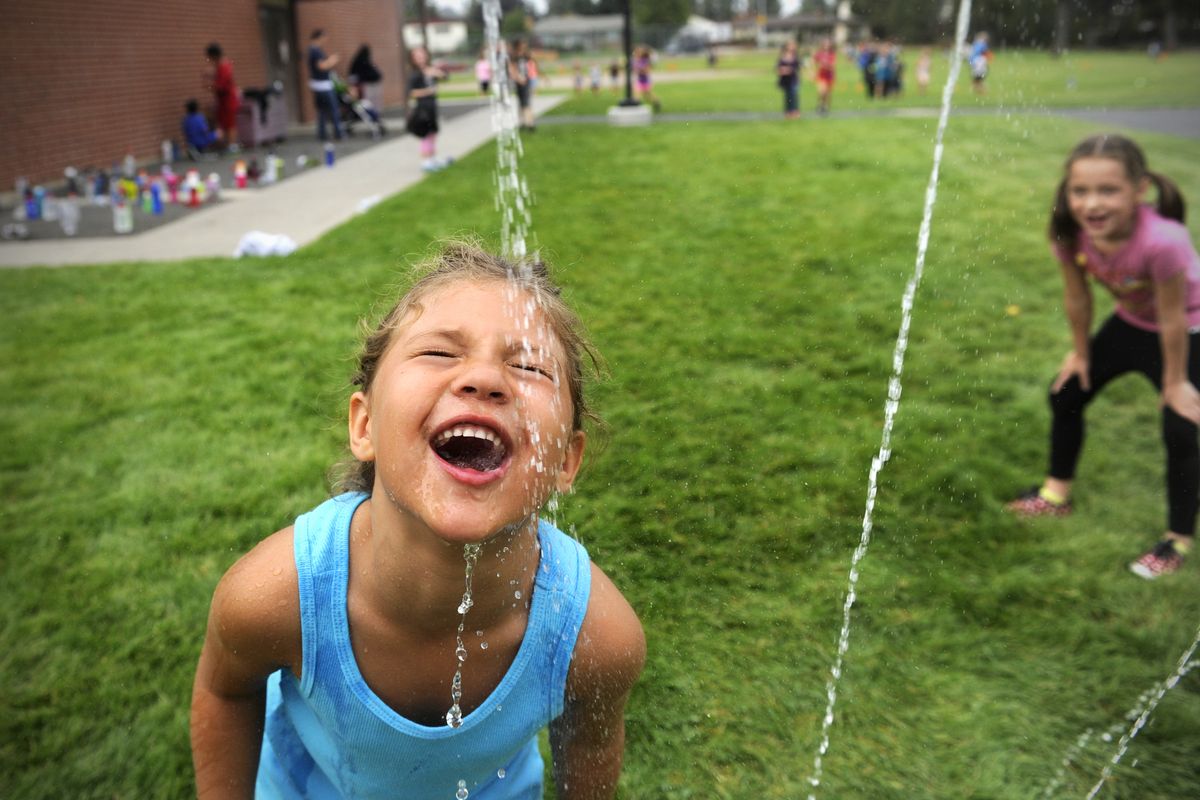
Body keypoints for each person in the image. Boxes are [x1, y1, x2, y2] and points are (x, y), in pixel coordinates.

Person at [190, 241, 646, 797]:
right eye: (439, 354)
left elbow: (592, 747)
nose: (485, 379)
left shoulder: (593, 637)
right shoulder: (275, 596)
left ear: (564, 462)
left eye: (528, 366)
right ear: (365, 427)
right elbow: (225, 692)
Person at [1006, 134, 1200, 580]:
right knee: (1068, 392)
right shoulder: (1068, 230)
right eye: (1080, 191)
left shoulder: (1162, 241)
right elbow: (1077, 296)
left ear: (1139, 190)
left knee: (1180, 425)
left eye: (1108, 191)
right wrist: (1081, 353)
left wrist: (1174, 383)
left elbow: (1173, 317)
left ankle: (1177, 538)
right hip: (1131, 323)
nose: (1092, 204)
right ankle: (1056, 496)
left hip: (1186, 328)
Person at [407, 45, 450, 172]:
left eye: (422, 54)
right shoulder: (414, 74)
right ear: (413, 58)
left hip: (432, 107)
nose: (421, 57)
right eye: (417, 55)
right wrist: (429, 91)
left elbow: (446, 77)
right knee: (426, 134)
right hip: (423, 108)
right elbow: (412, 93)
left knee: (433, 133)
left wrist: (439, 73)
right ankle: (426, 162)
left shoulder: (430, 70)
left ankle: (432, 158)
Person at [307, 29, 343, 141]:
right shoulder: (315, 51)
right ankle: (338, 134)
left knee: (322, 111)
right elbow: (321, 66)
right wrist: (332, 60)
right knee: (333, 109)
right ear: (319, 37)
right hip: (323, 85)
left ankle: (322, 134)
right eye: (324, 38)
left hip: (317, 84)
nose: (325, 41)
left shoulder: (311, 50)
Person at [204, 43, 240, 148]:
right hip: (224, 100)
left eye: (209, 57)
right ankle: (228, 144)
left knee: (229, 123)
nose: (209, 60)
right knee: (224, 122)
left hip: (228, 100)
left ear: (214, 55)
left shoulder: (223, 66)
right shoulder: (221, 65)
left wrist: (209, 85)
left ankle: (232, 145)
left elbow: (220, 86)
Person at [508, 39, 535, 131]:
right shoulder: (514, 57)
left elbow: (531, 64)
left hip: (526, 81)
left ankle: (529, 122)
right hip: (519, 82)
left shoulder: (525, 56)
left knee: (526, 102)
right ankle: (524, 122)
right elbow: (512, 69)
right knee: (522, 103)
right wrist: (518, 78)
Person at [776, 40, 801, 119]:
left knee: (793, 95)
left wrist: (786, 70)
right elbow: (778, 69)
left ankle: (795, 111)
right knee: (787, 96)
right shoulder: (782, 57)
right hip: (785, 80)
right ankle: (788, 111)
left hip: (793, 80)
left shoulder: (795, 57)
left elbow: (795, 68)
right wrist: (783, 70)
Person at [813, 37, 837, 114]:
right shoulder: (819, 53)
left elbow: (832, 65)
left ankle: (826, 106)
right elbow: (814, 63)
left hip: (829, 75)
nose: (826, 45)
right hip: (821, 75)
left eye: (828, 44)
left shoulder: (832, 54)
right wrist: (812, 72)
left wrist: (826, 65)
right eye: (825, 44)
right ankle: (820, 105)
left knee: (828, 93)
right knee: (821, 91)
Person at [633, 46, 660, 112]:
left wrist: (640, 70)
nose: (637, 54)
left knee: (646, 94)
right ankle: (655, 102)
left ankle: (656, 102)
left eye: (639, 53)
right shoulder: (637, 60)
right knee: (641, 94)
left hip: (645, 80)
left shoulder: (646, 61)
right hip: (640, 80)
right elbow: (635, 69)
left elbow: (647, 70)